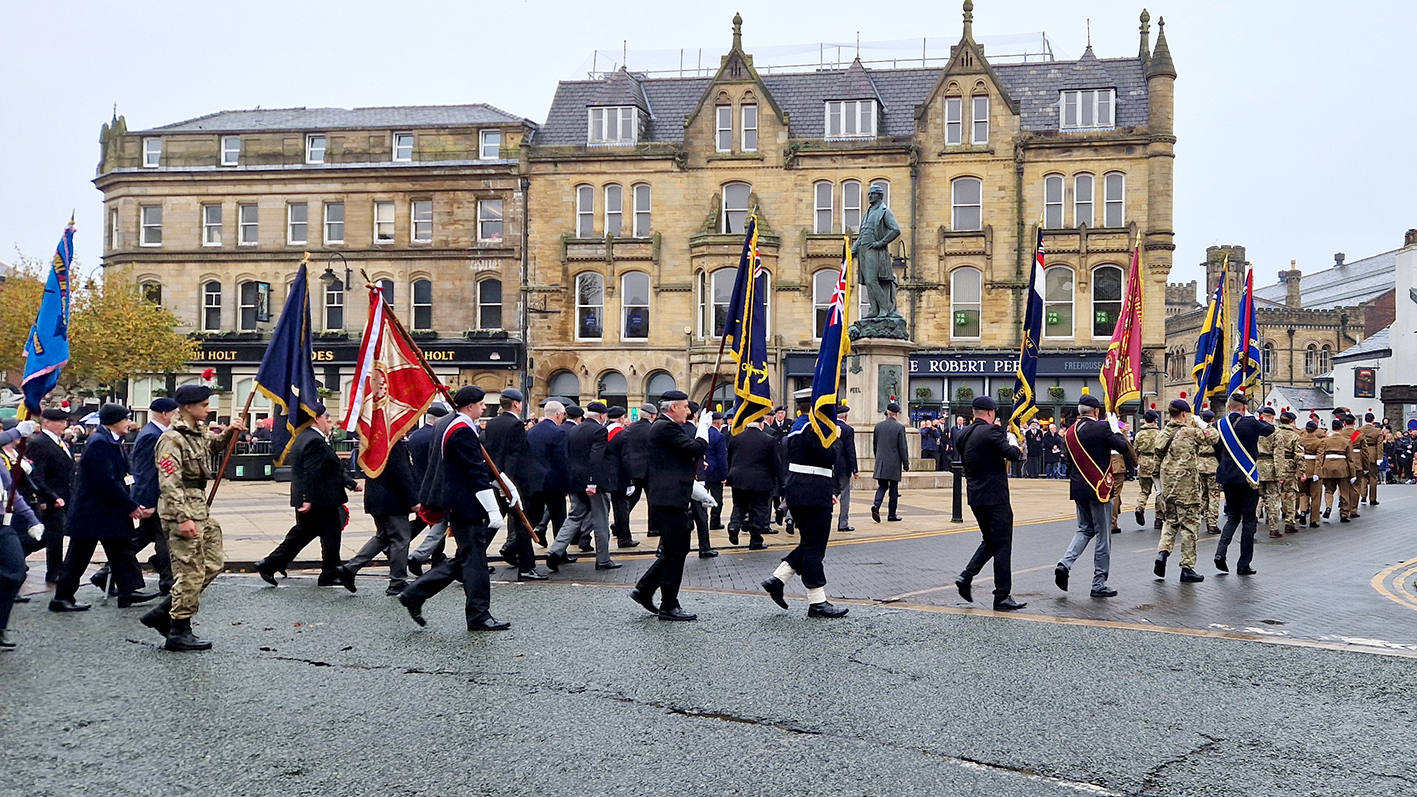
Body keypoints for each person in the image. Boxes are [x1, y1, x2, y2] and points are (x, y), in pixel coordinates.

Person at [398, 386, 512, 631]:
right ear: (469, 406)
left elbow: (480, 462)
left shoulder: (448, 423)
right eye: (481, 404)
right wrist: (493, 509)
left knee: (467, 556)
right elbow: (474, 470)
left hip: (456, 499)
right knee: (475, 561)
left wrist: (506, 484)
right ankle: (478, 615)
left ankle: (415, 593)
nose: (484, 407)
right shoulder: (461, 430)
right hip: (466, 502)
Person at [139, 385, 242, 651]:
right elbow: (169, 481)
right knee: (189, 570)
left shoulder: (195, 433)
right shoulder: (171, 439)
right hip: (182, 509)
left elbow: (210, 448)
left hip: (200, 508)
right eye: (204, 405)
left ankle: (165, 611)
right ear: (188, 407)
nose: (208, 409)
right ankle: (179, 630)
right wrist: (182, 517)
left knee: (213, 563)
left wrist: (230, 433)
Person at [49, 404, 160, 613]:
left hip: (108, 510)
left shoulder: (110, 440)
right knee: (78, 557)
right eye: (126, 419)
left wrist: (130, 500)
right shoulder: (99, 443)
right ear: (114, 421)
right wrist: (130, 505)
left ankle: (129, 590)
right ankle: (61, 597)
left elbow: (122, 475)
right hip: (93, 512)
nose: (129, 422)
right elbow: (105, 482)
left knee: (122, 550)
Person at [254, 406, 360, 588]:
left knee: (307, 534)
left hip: (319, 497)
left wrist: (351, 484)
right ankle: (328, 572)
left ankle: (272, 564)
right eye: (327, 420)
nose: (330, 424)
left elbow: (330, 469)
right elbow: (311, 472)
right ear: (317, 419)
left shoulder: (308, 437)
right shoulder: (314, 440)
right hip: (320, 499)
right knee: (325, 535)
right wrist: (308, 498)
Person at [630, 391, 710, 621]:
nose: (689, 411)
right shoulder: (665, 427)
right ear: (673, 407)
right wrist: (702, 428)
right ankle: (669, 605)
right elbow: (696, 449)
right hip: (668, 498)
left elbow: (678, 461)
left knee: (675, 550)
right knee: (676, 552)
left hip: (672, 495)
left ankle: (644, 589)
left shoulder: (665, 427)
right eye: (685, 407)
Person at [760, 413, 848, 618]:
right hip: (814, 494)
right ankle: (817, 602)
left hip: (799, 491)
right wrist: (836, 436)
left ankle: (778, 579)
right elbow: (830, 456)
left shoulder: (796, 429)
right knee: (815, 548)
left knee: (810, 543)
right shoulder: (814, 430)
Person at [1054, 394, 1133, 598]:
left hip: (1079, 487)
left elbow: (1069, 462)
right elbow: (1123, 448)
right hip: (1099, 487)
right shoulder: (1102, 427)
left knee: (1083, 529)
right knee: (1103, 536)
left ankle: (1065, 563)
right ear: (1096, 411)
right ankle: (1098, 583)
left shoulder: (1069, 432)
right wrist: (1115, 429)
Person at [953, 396, 1027, 611]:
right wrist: (1014, 439)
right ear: (991, 413)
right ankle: (1002, 595)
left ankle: (966, 576)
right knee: (1002, 545)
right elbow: (1013, 455)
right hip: (995, 497)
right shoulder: (992, 431)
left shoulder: (963, 433)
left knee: (990, 541)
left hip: (975, 496)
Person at [337, 435, 420, 595]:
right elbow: (401, 474)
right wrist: (413, 500)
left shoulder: (374, 442)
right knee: (401, 539)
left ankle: (349, 569)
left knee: (382, 537)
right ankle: (397, 581)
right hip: (392, 501)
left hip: (376, 497)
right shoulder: (393, 444)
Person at [481, 388, 548, 581]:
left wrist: (498, 481)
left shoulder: (492, 424)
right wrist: (507, 485)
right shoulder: (516, 425)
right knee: (523, 525)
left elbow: (494, 454)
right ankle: (526, 567)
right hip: (515, 484)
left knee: (493, 523)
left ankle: (467, 560)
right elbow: (513, 456)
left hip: (497, 479)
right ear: (517, 404)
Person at [1152, 399, 1217, 583]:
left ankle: (1162, 553)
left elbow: (1156, 465)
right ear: (1183, 414)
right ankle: (1187, 567)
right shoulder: (1189, 432)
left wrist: (1159, 489)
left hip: (1168, 486)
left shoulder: (1162, 434)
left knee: (1170, 522)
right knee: (1189, 526)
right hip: (1187, 487)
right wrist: (1203, 422)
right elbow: (1214, 436)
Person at [549, 401, 616, 570]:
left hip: (575, 481)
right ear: (601, 416)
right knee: (600, 520)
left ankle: (555, 551)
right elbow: (596, 457)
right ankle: (603, 559)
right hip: (594, 483)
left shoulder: (574, 429)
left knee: (574, 517)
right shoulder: (599, 430)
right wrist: (593, 481)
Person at [1213, 391, 1273, 575]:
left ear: (1229, 407)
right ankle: (1243, 564)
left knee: (1232, 517)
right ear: (1244, 408)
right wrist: (1254, 416)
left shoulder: (1218, 425)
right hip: (1247, 476)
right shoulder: (1251, 422)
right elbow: (1270, 429)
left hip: (1227, 476)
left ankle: (1220, 553)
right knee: (1248, 521)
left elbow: (1216, 448)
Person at [0, 423, 42, 649]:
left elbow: (11, 493)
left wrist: (32, 520)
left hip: (3, 526)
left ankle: (0, 626)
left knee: (16, 573)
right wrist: (18, 432)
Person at [25, 407, 76, 584]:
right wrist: (49, 497)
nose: (65, 425)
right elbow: (37, 475)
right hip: (52, 498)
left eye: (65, 422)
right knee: (50, 536)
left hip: (66, 495)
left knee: (57, 535)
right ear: (47, 423)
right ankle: (53, 570)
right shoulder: (39, 443)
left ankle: (58, 568)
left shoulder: (60, 442)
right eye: (60, 422)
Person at [527, 401, 576, 560]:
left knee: (533, 517)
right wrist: (567, 484)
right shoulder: (558, 432)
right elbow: (562, 461)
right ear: (559, 414)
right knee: (559, 518)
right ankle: (560, 552)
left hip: (535, 482)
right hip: (554, 483)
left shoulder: (532, 431)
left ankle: (512, 546)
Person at [406, 402, 451, 575]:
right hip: (435, 484)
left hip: (418, 483)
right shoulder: (437, 436)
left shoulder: (415, 436)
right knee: (437, 521)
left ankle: (437, 556)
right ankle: (437, 557)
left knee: (425, 520)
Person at [726, 416, 783, 550]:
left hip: (738, 478)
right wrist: (781, 481)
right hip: (760, 480)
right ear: (761, 424)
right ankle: (755, 540)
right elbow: (776, 463)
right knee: (759, 509)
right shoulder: (769, 440)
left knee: (739, 505)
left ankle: (734, 526)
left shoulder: (735, 438)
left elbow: (730, 459)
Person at [618, 402, 657, 537]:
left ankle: (620, 523)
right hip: (649, 469)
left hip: (632, 468)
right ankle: (653, 528)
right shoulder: (653, 429)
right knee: (652, 500)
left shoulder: (630, 428)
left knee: (631, 499)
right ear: (652, 415)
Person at [604, 405, 640, 549]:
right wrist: (630, 480)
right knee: (621, 508)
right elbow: (626, 459)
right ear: (620, 418)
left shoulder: (602, 431)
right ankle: (624, 537)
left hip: (604, 475)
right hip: (619, 476)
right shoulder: (623, 434)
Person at [1265, 410, 1304, 537]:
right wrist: (1302, 470)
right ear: (1292, 422)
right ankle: (1289, 522)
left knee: (1274, 495)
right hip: (1290, 466)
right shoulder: (1295, 436)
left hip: (1274, 465)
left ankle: (1271, 519)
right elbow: (1299, 454)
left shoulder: (1273, 432)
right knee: (1290, 494)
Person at [871, 402, 909, 523]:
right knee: (893, 489)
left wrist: (878, 458)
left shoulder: (878, 426)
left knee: (882, 486)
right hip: (894, 462)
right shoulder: (899, 427)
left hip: (881, 461)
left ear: (887, 413)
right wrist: (906, 463)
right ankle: (891, 514)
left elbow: (875, 445)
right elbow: (902, 447)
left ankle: (876, 505)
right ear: (896, 414)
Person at [1318, 418, 1357, 523]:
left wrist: (1319, 470)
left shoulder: (1325, 441)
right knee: (1344, 491)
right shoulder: (1347, 441)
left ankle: (1328, 507)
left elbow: (1320, 456)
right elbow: (1350, 459)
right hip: (1342, 468)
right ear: (1341, 428)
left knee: (1328, 490)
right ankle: (1344, 514)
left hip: (1328, 467)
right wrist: (1353, 474)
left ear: (1332, 428)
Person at [1131, 410, 1164, 528]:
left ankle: (1140, 507)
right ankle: (1159, 518)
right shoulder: (1160, 434)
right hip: (1156, 464)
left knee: (1144, 490)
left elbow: (1135, 450)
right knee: (1160, 491)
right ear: (1155, 420)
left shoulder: (1139, 434)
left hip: (1144, 463)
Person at [702, 412, 728, 530]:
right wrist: (724, 475)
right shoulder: (719, 436)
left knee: (701, 498)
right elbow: (722, 457)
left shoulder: (702, 433)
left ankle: (700, 521)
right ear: (719, 422)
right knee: (717, 499)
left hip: (702, 470)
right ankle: (714, 522)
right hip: (715, 471)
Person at [834, 404, 858, 531]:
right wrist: (855, 469)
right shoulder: (848, 429)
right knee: (845, 495)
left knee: (831, 493)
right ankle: (843, 523)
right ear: (846, 416)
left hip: (830, 466)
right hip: (843, 468)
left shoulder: (830, 427)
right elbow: (850, 451)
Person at [1197, 410, 1222, 534]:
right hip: (1212, 465)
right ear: (1213, 420)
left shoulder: (1198, 431)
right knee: (1214, 495)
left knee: (1203, 494)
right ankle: (1212, 523)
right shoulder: (1215, 432)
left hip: (1200, 464)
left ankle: (1202, 516)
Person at [1107, 423, 1135, 534]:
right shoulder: (1119, 432)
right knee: (1114, 494)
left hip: (1104, 467)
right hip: (1117, 466)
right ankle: (1112, 524)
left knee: (1107, 493)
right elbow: (1128, 449)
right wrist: (1135, 463)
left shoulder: (1100, 430)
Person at [1296, 420, 1323, 528]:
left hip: (1301, 470)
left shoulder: (1299, 440)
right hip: (1313, 470)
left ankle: (1303, 510)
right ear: (1315, 430)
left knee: (1303, 493)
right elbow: (1319, 458)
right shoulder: (1319, 442)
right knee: (1315, 496)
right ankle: (1314, 520)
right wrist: (1317, 472)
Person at [1359, 412, 1384, 505]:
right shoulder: (1377, 431)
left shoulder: (1359, 430)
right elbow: (1380, 445)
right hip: (1373, 452)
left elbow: (1353, 440)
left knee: (1363, 477)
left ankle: (1363, 496)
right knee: (1373, 477)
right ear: (1373, 420)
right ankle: (1372, 498)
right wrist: (1379, 457)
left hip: (1362, 453)